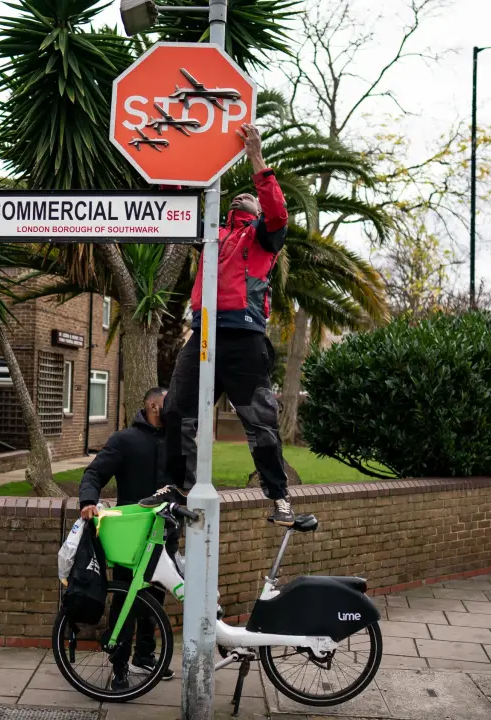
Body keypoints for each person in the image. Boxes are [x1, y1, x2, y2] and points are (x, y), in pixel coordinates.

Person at [139, 124, 295, 527]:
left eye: (250, 196)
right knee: (175, 410)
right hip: (204, 335)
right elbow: (174, 211)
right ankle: (177, 487)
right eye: (239, 194)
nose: (242, 195)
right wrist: (168, 166)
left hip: (245, 340)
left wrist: (256, 158)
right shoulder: (213, 232)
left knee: (260, 421)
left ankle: (279, 497)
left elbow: (277, 212)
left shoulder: (264, 236)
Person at [79, 388, 175, 687]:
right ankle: (119, 665)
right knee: (125, 601)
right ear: (153, 406)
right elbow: (94, 473)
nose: (175, 407)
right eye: (168, 402)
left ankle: (144, 657)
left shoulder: (178, 441)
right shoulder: (125, 440)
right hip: (130, 538)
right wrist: (88, 501)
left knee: (155, 599)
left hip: (165, 534)